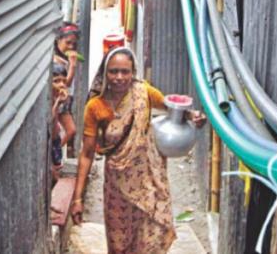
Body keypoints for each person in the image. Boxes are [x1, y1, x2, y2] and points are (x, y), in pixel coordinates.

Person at [70, 47, 206, 253]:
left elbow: (172, 107)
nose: (119, 77)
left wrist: (192, 116)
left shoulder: (144, 92)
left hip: (148, 182)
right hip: (117, 187)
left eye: (125, 71)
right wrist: (78, 199)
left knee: (151, 236)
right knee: (119, 241)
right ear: (105, 73)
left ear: (133, 72)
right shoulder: (95, 107)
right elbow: (87, 154)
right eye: (113, 71)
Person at [52, 23, 79, 146]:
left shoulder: (63, 58)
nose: (71, 47)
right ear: (58, 40)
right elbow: (65, 84)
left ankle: (54, 154)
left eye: (73, 44)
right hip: (58, 101)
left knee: (70, 131)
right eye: (67, 43)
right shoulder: (56, 61)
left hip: (64, 102)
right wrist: (72, 66)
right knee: (68, 130)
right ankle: (53, 155)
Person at [50, 62, 69, 181]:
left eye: (63, 81)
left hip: (55, 141)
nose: (61, 84)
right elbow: (50, 122)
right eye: (56, 81)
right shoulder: (49, 99)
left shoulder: (58, 98)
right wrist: (57, 103)